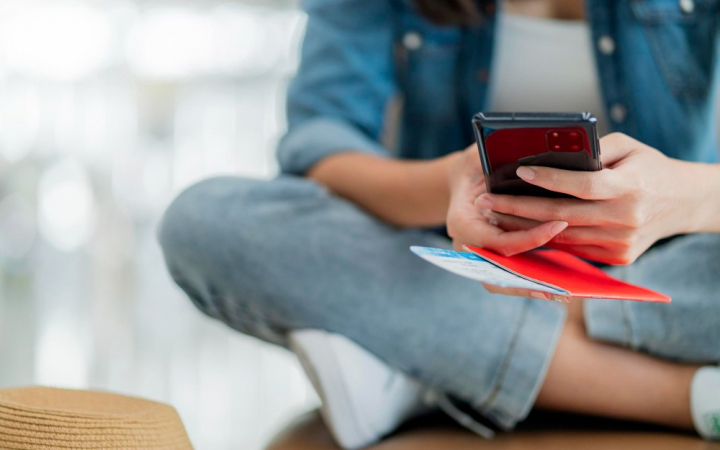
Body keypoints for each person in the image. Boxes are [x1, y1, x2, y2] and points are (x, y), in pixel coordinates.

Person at [158, 0, 720, 448]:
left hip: (670, 273)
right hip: (459, 269)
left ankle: (432, 364)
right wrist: (449, 181)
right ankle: (685, 392)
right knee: (208, 222)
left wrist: (689, 198)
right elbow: (319, 141)